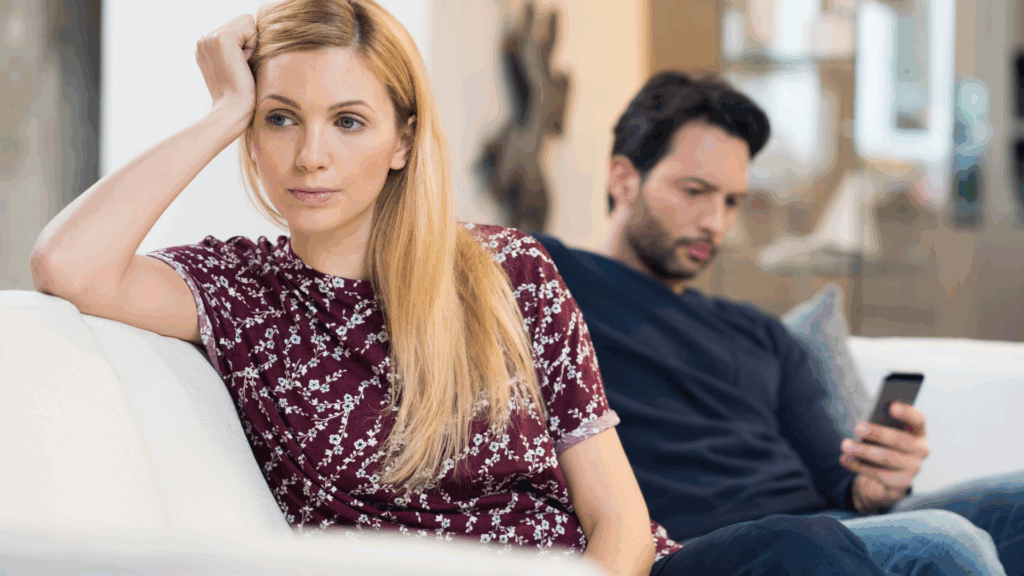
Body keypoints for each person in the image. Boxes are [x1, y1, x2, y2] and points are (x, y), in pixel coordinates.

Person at [26, 2, 898, 575]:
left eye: (349, 121)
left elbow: (619, 522)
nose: (309, 156)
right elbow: (69, 265)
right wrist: (221, 110)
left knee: (807, 547)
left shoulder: (507, 270)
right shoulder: (241, 291)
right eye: (279, 119)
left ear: (403, 141)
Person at [532, 71, 1024, 575]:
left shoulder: (761, 333)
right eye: (695, 191)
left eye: (732, 202)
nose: (715, 222)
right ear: (623, 179)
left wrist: (878, 481)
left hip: (836, 529)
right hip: (710, 543)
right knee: (944, 540)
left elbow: (842, 478)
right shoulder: (550, 279)